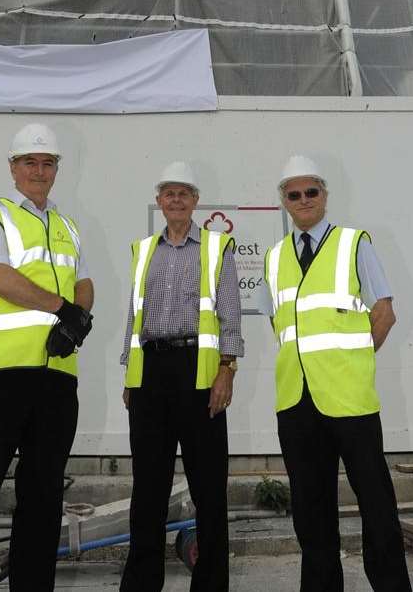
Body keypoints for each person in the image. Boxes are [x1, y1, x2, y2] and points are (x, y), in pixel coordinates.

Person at [0, 123, 94, 592]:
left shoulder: (66, 226)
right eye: (30, 162)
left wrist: (78, 319)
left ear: (56, 171)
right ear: (13, 167)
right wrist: (62, 309)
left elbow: (84, 283)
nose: (39, 171)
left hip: (56, 379)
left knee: (43, 497)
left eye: (47, 164)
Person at [260, 155, 411, 592]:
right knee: (310, 512)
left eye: (312, 192)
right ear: (284, 202)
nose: (304, 200)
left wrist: (357, 358)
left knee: (377, 505)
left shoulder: (353, 243)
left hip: (350, 400)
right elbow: (281, 325)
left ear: (325, 196)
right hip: (296, 403)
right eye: (294, 194)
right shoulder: (273, 258)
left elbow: (383, 313)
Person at [118, 161, 243, 592]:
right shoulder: (143, 250)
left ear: (195, 202)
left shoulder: (216, 247)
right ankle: (140, 584)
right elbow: (134, 316)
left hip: (199, 376)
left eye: (183, 193)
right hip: (150, 374)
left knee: (209, 490)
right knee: (147, 491)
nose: (175, 200)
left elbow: (230, 314)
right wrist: (129, 376)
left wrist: (227, 370)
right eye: (168, 193)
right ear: (159, 202)